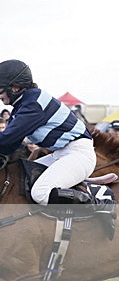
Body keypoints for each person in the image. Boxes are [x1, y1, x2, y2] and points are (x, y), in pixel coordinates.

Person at [0, 59, 97, 206]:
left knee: (40, 193)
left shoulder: (33, 103)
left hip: (78, 155)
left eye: (0, 90)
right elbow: (9, 145)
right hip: (60, 155)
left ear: (15, 87)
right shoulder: (23, 104)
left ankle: (95, 204)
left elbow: (6, 140)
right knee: (20, 174)